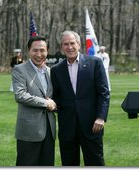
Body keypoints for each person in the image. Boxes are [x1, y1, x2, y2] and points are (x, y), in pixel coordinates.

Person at [50, 31, 110, 166]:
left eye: (72, 43)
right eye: (66, 44)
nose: (69, 47)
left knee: (95, 163)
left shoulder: (95, 63)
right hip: (67, 126)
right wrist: (52, 103)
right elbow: (56, 96)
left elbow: (104, 93)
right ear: (61, 47)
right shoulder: (56, 70)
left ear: (79, 45)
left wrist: (101, 117)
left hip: (92, 125)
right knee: (69, 164)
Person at [12, 36, 57, 166]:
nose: (39, 54)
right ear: (29, 51)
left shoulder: (51, 71)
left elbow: (56, 98)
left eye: (42, 50)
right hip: (28, 131)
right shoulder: (19, 70)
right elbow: (20, 95)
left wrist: (55, 105)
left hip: (49, 130)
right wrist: (46, 103)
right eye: (35, 50)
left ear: (47, 51)